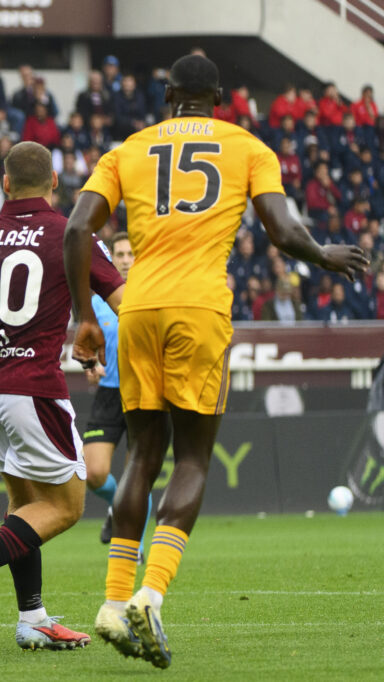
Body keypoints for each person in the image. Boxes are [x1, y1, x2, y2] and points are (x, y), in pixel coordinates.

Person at [63, 54, 368, 669]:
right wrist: (323, 255)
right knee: (193, 457)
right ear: (220, 99)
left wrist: (83, 316)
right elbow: (283, 232)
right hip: (200, 310)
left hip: (139, 308)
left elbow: (76, 231)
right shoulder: (248, 147)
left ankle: (113, 604)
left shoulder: (129, 149)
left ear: (169, 94)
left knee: (141, 458)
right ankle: (151, 594)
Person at [0, 141, 125, 651]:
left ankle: (32, 617)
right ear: (55, 183)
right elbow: (127, 301)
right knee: (65, 507)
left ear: (4, 184)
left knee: (23, 505)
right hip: (35, 390)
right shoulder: (70, 235)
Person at [81, 231, 148, 555]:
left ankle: (135, 546)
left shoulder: (151, 294)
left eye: (129, 254)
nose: (124, 259)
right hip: (109, 394)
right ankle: (116, 505)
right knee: (93, 473)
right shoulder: (95, 300)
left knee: (140, 470)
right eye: (118, 254)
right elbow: (85, 345)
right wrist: (90, 365)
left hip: (145, 393)